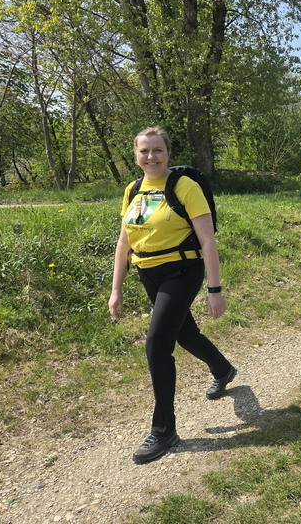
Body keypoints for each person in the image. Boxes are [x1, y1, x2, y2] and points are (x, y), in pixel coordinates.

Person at [109, 127, 236, 465]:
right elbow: (124, 242)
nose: (151, 157)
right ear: (135, 155)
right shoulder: (133, 190)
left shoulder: (185, 187)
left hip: (182, 271)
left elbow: (207, 240)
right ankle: (222, 369)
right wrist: (116, 289)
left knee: (157, 343)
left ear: (168, 152)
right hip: (147, 272)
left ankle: (164, 429)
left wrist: (214, 289)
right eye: (144, 151)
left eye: (157, 150)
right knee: (184, 332)